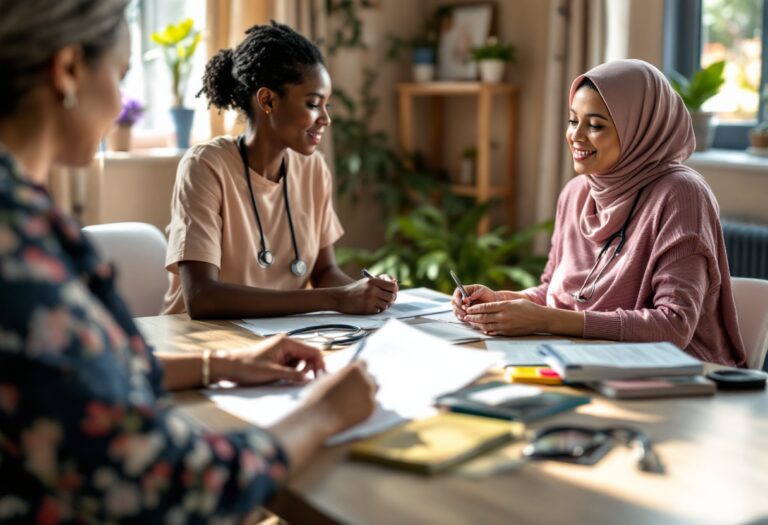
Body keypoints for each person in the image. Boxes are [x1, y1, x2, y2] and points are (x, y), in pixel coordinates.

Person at [0, 1, 377, 521]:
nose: (121, 104)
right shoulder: (20, 248)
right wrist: (322, 415)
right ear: (67, 72)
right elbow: (164, 482)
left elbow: (92, 372)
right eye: (123, 75)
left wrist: (220, 363)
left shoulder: (32, 220)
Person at [452, 59, 747, 367]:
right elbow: (556, 292)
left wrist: (546, 320)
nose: (576, 136)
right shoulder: (577, 192)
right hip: (583, 360)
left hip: (676, 375)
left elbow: (673, 325)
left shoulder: (681, 194)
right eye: (572, 121)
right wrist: (501, 301)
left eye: (595, 125)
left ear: (639, 128)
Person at [162, 21, 397, 319]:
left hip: (280, 341)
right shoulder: (205, 166)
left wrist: (367, 294)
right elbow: (201, 297)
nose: (325, 118)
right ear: (268, 100)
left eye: (327, 106)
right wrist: (337, 299)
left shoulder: (313, 168)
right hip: (201, 345)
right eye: (313, 104)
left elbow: (324, 271)